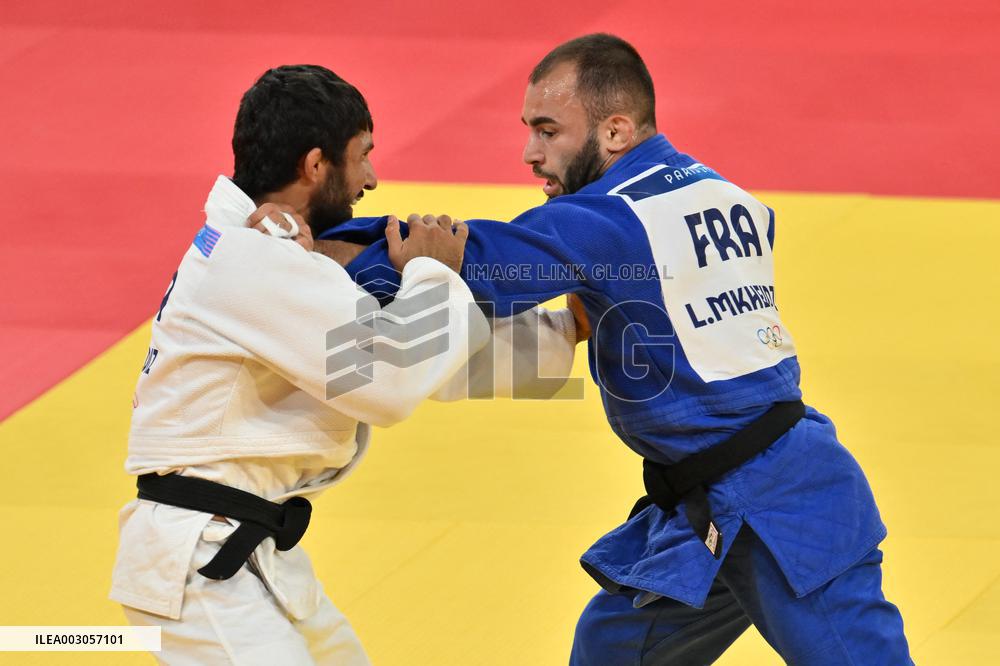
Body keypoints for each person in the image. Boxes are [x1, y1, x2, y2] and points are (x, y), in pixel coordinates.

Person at [323, 35, 912, 664]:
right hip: (713, 501)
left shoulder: (606, 220)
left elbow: (469, 265)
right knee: (610, 649)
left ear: (615, 132)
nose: (530, 153)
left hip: (782, 506)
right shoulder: (729, 197)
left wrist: (312, 246)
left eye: (548, 132)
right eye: (529, 130)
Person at [110, 64, 582, 665]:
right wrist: (432, 268)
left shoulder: (271, 253)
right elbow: (390, 384)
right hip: (200, 565)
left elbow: (410, 359)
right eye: (362, 156)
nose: (372, 178)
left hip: (247, 549)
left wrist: (566, 330)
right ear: (314, 165)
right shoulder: (255, 262)